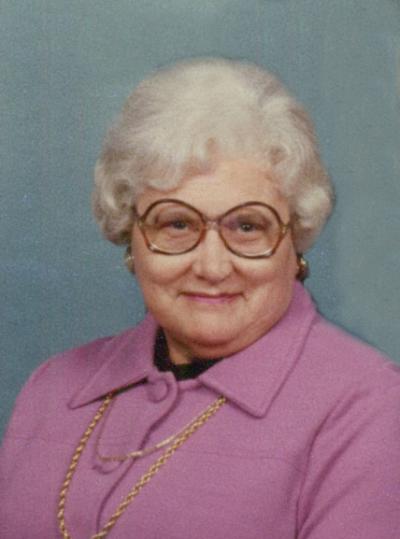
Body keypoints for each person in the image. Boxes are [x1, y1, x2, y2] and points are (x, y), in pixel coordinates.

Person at [1, 57, 399, 539]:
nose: (212, 266)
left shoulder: (369, 408)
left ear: (295, 241)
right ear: (131, 236)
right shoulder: (52, 388)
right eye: (177, 224)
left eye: (248, 226)